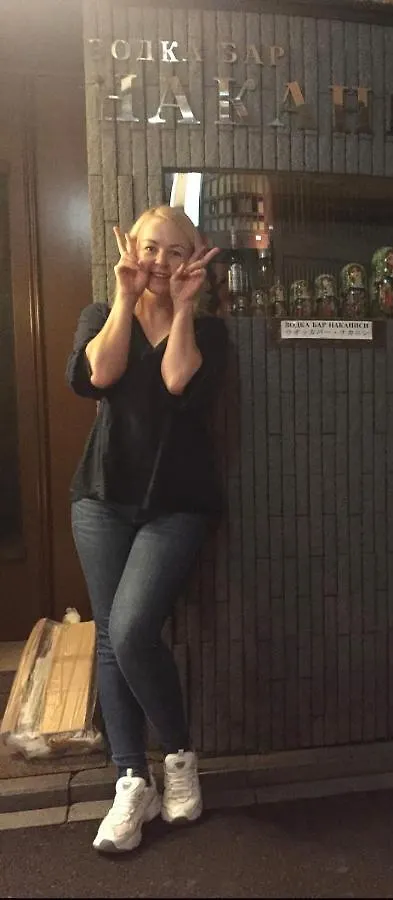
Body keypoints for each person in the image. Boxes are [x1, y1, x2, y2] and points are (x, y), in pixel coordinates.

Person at [66, 205, 228, 850]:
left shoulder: (210, 331)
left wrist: (183, 307)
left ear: (195, 257)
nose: (161, 261)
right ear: (131, 249)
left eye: (175, 250)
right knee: (111, 638)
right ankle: (132, 780)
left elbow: (175, 380)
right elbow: (99, 375)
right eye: (150, 247)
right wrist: (124, 298)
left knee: (131, 631)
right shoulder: (101, 315)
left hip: (178, 502)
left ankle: (180, 757)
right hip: (101, 498)